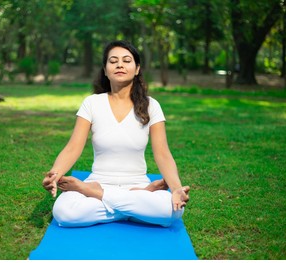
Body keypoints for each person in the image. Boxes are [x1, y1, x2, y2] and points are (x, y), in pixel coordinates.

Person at [42, 40, 190, 227]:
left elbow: (163, 153)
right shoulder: (92, 103)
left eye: (126, 60)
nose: (119, 64)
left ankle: (100, 195)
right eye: (113, 61)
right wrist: (54, 175)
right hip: (101, 181)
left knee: (173, 210)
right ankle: (137, 205)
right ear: (105, 70)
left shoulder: (152, 105)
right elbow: (73, 147)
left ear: (137, 69)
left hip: (131, 182)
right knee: (64, 212)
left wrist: (176, 189)